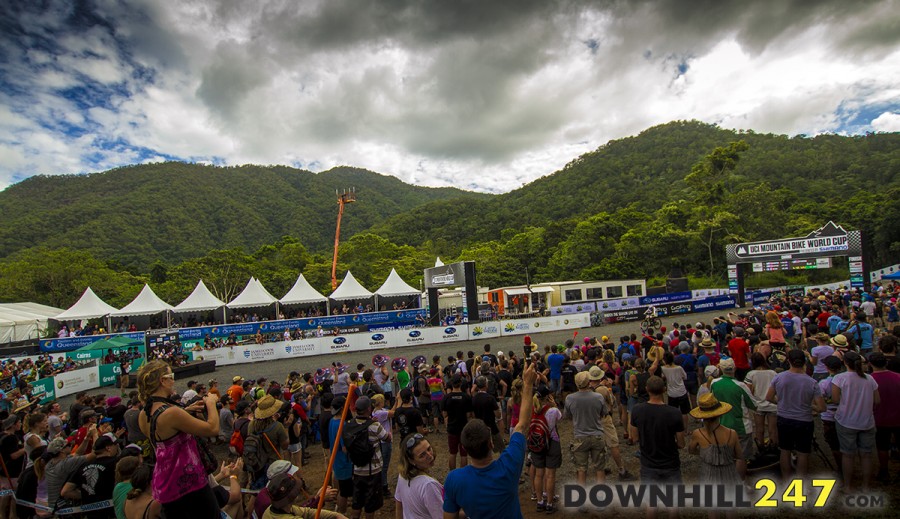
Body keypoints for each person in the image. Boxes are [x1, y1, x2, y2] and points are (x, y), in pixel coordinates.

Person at [443, 363, 537, 519]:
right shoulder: (508, 466)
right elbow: (522, 425)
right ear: (491, 443)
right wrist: (527, 384)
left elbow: (449, 516)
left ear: (465, 448)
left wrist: (471, 508)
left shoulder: (454, 479)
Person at [136, 360, 221, 518]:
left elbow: (165, 436)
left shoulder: (144, 414)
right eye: (171, 376)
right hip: (188, 482)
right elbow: (212, 429)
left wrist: (185, 411)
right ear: (162, 381)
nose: (173, 380)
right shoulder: (172, 413)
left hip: (165, 484)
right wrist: (211, 404)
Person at [766, 349, 826, 480]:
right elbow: (822, 407)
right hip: (804, 420)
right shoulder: (811, 382)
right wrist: (809, 406)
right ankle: (801, 482)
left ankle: (786, 479)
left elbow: (769, 397)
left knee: (785, 450)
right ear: (804, 362)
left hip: (784, 419)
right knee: (803, 453)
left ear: (788, 361)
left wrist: (782, 402)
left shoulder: (779, 378)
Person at [631, 376, 685, 519]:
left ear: (647, 390)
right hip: (670, 462)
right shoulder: (674, 413)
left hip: (648, 462)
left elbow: (634, 438)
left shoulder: (637, 410)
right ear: (664, 390)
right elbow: (681, 443)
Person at [688, 393, 746, 519]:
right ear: (720, 414)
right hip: (729, 472)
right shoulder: (732, 433)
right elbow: (739, 456)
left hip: (709, 473)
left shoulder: (697, 434)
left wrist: (705, 454)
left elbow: (691, 450)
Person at [832, 351, 880, 490]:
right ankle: (865, 485)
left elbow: (835, 400)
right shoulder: (870, 379)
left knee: (848, 455)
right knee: (866, 455)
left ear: (845, 362)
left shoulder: (839, 378)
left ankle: (847, 485)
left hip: (846, 421)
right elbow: (877, 400)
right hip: (867, 421)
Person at [347, 396, 390, 519]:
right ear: (368, 409)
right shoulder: (374, 425)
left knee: (357, 503)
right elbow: (387, 438)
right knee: (370, 505)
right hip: (373, 470)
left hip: (357, 469)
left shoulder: (350, 425)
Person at [61, 433, 121, 519]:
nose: (117, 447)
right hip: (111, 513)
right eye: (115, 445)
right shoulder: (116, 463)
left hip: (89, 513)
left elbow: (65, 491)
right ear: (108, 448)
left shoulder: (83, 466)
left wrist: (87, 495)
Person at [710, 358, 757, 461]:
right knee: (742, 458)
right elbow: (754, 405)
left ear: (721, 369)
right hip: (741, 426)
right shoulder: (741, 386)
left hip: (722, 424)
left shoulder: (714, 383)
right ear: (734, 369)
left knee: (725, 457)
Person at [395, 433, 443, 519]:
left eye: (429, 449)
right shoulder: (428, 485)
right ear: (411, 461)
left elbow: (399, 502)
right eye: (422, 455)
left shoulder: (402, 475)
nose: (429, 455)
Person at [531, 385, 563, 514]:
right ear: (547, 397)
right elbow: (561, 418)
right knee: (550, 475)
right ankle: (549, 503)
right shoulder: (552, 411)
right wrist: (554, 404)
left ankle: (539, 502)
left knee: (539, 474)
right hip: (552, 442)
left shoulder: (532, 409)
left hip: (536, 442)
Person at [869, 352, 900, 480]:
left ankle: (884, 471)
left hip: (880, 417)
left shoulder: (869, 380)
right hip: (898, 416)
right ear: (885, 363)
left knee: (882, 446)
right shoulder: (898, 377)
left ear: (870, 364)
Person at [743, 353, 778, 449]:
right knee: (772, 429)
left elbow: (748, 391)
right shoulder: (773, 373)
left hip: (758, 405)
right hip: (773, 404)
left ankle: (761, 448)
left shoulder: (751, 374)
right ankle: (773, 447)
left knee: (759, 429)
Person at [441, 376, 472, 471]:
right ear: (461, 384)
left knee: (452, 453)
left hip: (452, 427)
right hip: (463, 427)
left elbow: (445, 414)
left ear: (451, 385)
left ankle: (453, 473)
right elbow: (468, 414)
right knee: (463, 454)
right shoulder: (466, 397)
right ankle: (463, 473)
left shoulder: (446, 397)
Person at [472, 376, 503, 453]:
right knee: (501, 447)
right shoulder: (490, 398)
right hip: (491, 426)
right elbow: (498, 415)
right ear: (486, 385)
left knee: (483, 450)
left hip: (480, 427)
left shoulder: (474, 398)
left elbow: (473, 415)